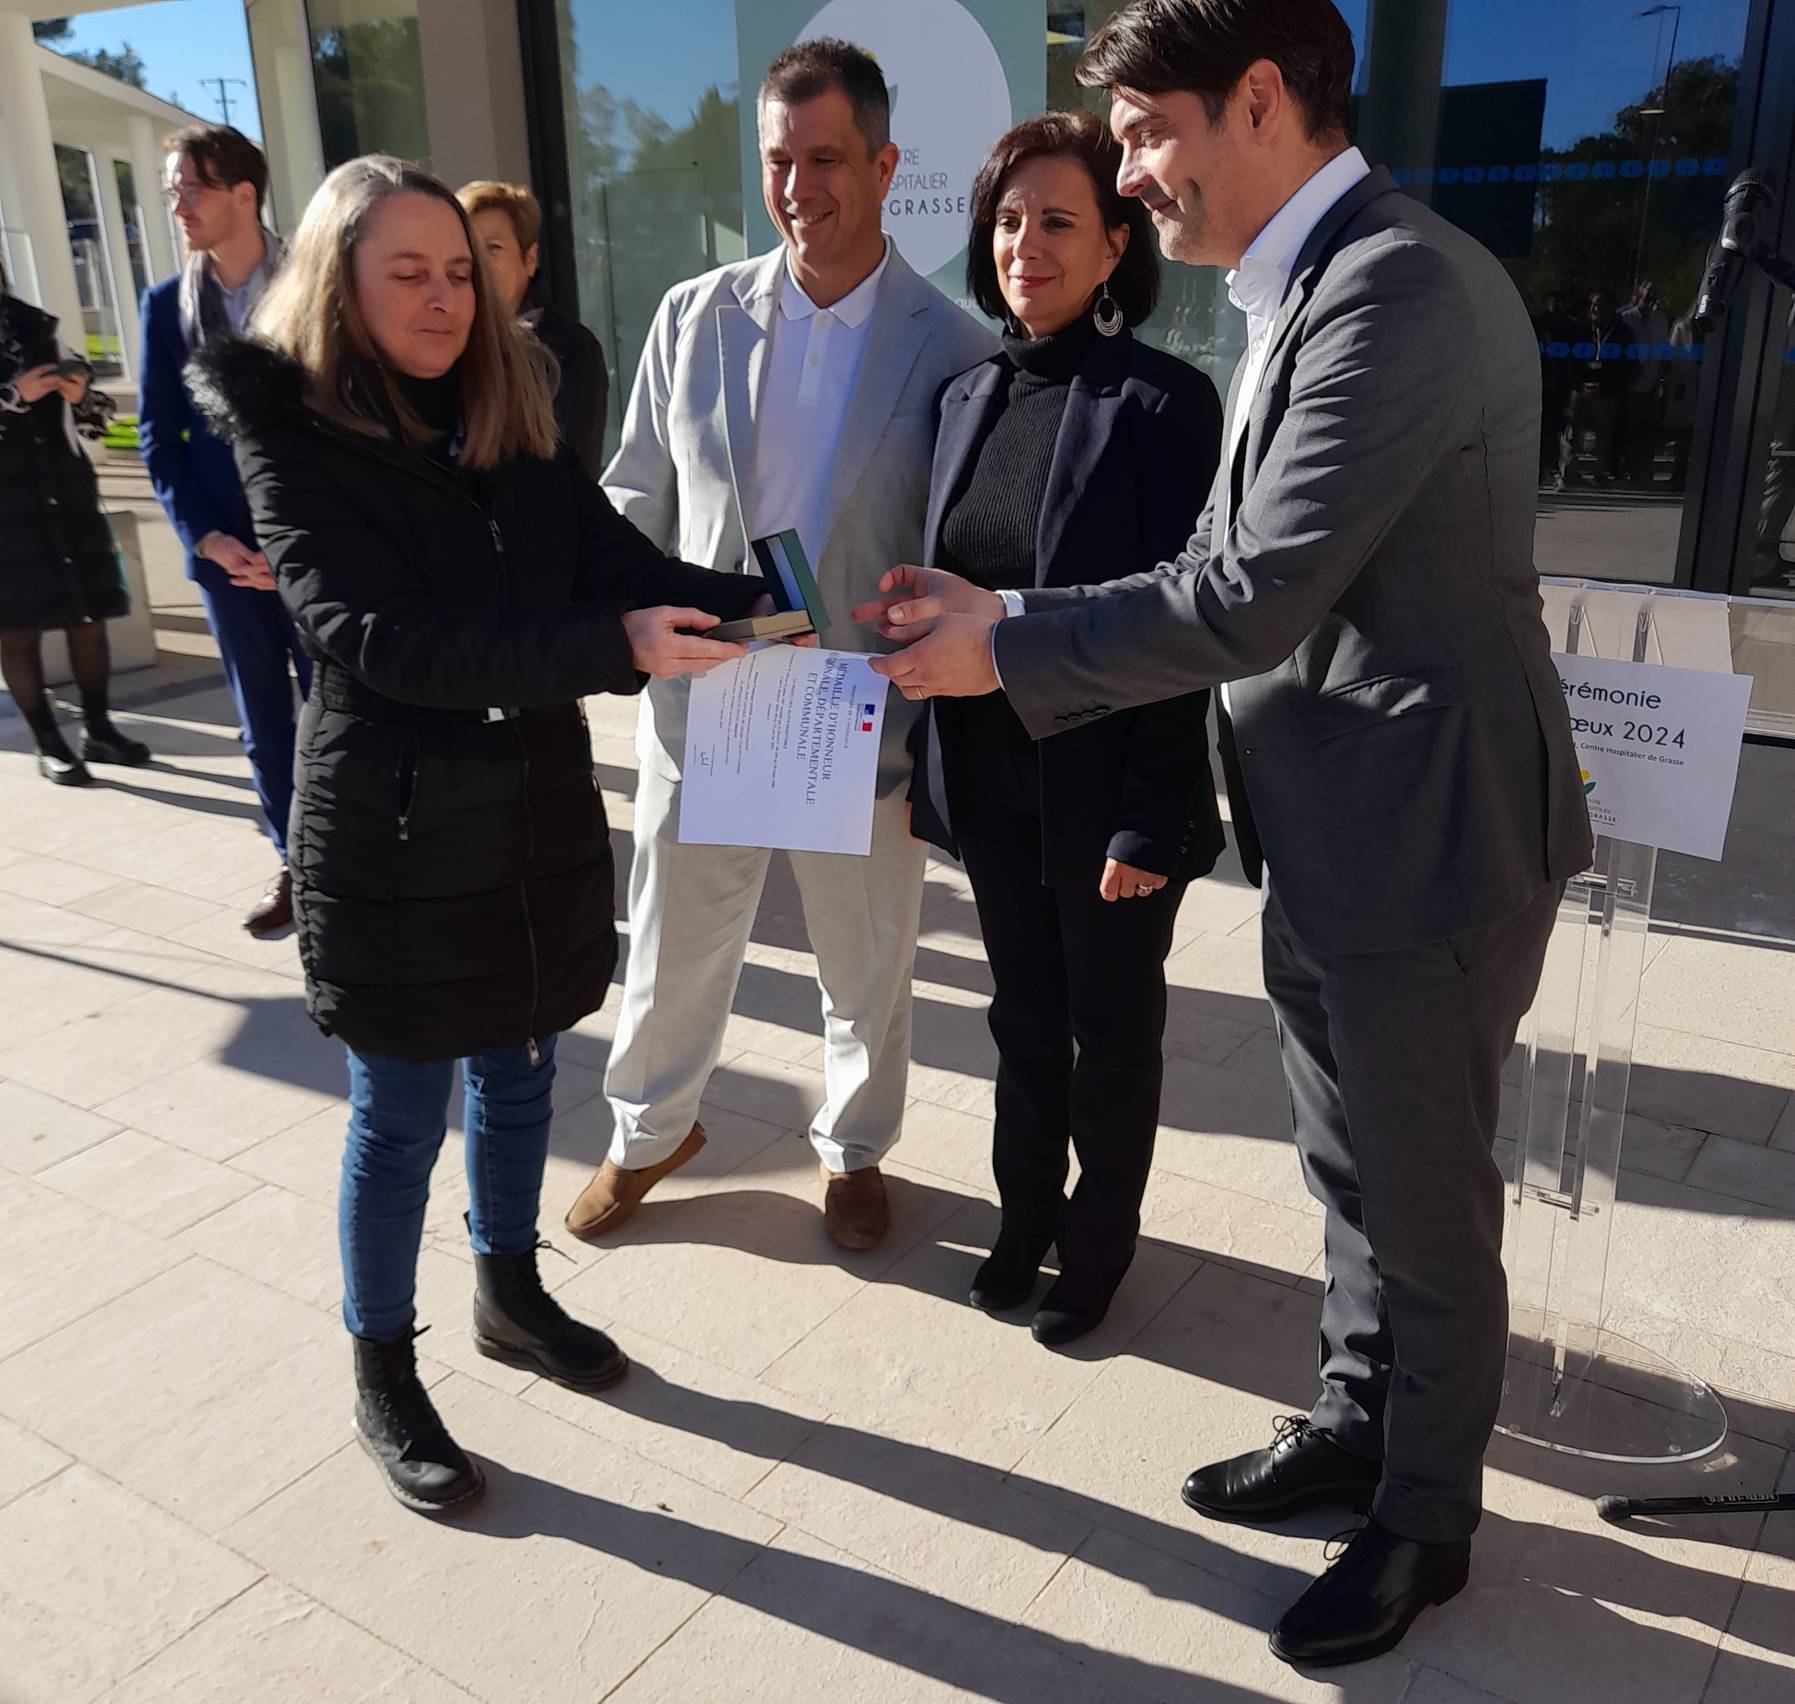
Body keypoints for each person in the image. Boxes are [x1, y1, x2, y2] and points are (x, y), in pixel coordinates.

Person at [854, 0, 1591, 1668]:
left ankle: (1426, 1513)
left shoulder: (1395, 287)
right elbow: (1238, 570)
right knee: (1348, 1169)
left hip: (1427, 839)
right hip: (1338, 829)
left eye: (1142, 133)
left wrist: (1008, 642)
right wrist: (1016, 607)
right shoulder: (1307, 286)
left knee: (1420, 1189)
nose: (1128, 172)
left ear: (1260, 100)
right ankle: (1354, 1417)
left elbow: (1254, 590)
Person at [185, 155, 765, 1515]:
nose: (444, 299)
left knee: (518, 1074)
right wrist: (605, 647)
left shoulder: (509, 412)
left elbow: (620, 568)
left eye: (459, 272)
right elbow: (370, 636)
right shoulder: (292, 434)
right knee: (398, 1118)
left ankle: (510, 1290)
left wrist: (776, 609)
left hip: (525, 814)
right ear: (342, 282)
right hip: (389, 829)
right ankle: (383, 1370)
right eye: (409, 273)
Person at [561, 38, 995, 1253]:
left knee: (867, 959)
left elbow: (969, 550)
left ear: (883, 162)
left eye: (826, 158)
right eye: (778, 159)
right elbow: (631, 499)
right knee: (674, 940)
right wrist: (617, 628)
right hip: (710, 699)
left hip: (861, 717)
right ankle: (649, 1131)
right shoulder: (692, 318)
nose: (801, 186)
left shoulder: (955, 349)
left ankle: (855, 1150)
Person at [908, 110, 1223, 1347]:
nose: (1023, 245)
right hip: (989, 777)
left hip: (1109, 789)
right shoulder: (965, 395)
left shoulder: (1163, 403)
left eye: (1055, 221)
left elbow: (1183, 622)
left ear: (1113, 246)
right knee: (1022, 1018)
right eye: (1005, 220)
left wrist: (1155, 809)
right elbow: (962, 580)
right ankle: (1023, 1216)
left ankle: (1098, 1250)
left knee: (1111, 1030)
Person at [140, 126, 310, 936]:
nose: (178, 205)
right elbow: (157, 437)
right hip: (225, 558)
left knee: (341, 704)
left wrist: (301, 542)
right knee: (263, 719)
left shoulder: (316, 291)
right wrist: (204, 538)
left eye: (190, 189)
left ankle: (358, 853)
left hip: (313, 553)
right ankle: (297, 866)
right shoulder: (163, 310)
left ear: (244, 193)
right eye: (173, 190)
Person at [1, 264, 150, 783]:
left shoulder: (35, 325)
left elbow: (94, 417)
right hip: (5, 508)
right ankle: (48, 742)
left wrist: (78, 390)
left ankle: (99, 728)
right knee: (16, 629)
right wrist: (12, 395)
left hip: (63, 490)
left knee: (87, 617)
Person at [457, 179, 608, 478]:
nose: (478, 264)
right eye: (468, 249)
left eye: (493, 248)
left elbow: (570, 477)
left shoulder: (570, 350)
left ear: (529, 259)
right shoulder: (442, 341)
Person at [1556, 286, 1629, 488]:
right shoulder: (1581, 332)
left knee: (1604, 436)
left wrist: (1604, 385)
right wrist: (1580, 384)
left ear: (1610, 308)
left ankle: (1600, 473)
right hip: (1581, 391)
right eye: (1592, 305)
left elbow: (1625, 366)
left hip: (1607, 393)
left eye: (1599, 305)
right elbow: (1570, 362)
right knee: (1572, 432)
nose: (1594, 309)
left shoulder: (1622, 334)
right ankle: (1568, 473)